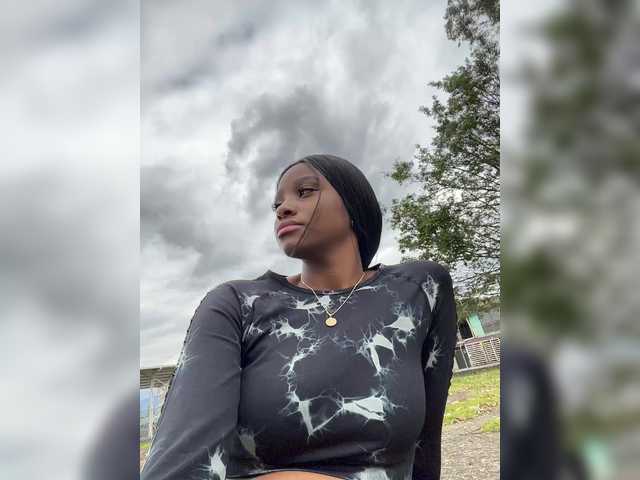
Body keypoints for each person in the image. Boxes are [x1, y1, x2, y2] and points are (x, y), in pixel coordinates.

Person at [140, 154, 458, 480]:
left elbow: (426, 445)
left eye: (304, 192)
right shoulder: (237, 304)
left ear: (353, 204)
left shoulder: (420, 289)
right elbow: (183, 463)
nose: (283, 209)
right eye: (277, 204)